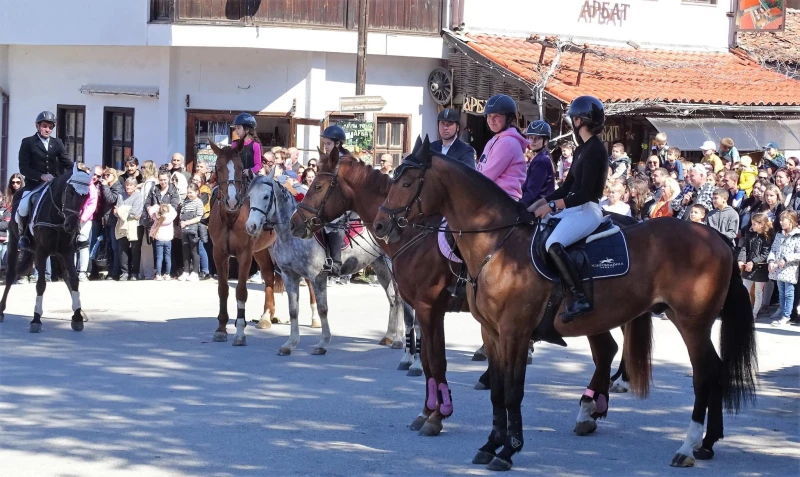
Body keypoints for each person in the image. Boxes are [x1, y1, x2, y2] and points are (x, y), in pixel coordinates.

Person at [530, 95, 608, 321]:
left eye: (573, 119)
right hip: (576, 207)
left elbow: (586, 193)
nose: (572, 123)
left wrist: (553, 206)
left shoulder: (596, 150)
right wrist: (541, 203)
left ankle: (580, 297)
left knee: (554, 244)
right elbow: (567, 187)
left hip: (589, 209)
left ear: (579, 121)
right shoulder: (581, 149)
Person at [14, 111, 73, 250]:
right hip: (34, 184)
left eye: (50, 127)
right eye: (45, 126)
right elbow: (23, 167)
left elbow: (66, 162)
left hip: (53, 184)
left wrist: (79, 170)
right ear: (37, 125)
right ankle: (24, 236)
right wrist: (41, 176)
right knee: (23, 205)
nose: (47, 129)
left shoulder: (57, 143)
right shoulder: (28, 142)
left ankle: (71, 234)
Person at [319, 124, 350, 275]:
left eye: (328, 144)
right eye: (324, 144)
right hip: (332, 199)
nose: (325, 147)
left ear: (337, 144)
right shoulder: (329, 159)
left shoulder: (346, 160)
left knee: (332, 222)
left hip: (347, 200)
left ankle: (336, 262)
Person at [768, 210, 800, 326]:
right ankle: (783, 312)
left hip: (790, 269)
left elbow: (798, 253)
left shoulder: (797, 235)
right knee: (781, 293)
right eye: (780, 220)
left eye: (783, 220)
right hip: (778, 269)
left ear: (791, 221)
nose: (781, 222)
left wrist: (786, 258)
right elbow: (773, 249)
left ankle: (787, 315)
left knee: (789, 293)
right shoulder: (779, 234)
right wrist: (771, 260)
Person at [739, 212, 773, 319]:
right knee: (745, 290)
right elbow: (744, 248)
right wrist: (741, 259)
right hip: (748, 268)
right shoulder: (750, 235)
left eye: (754, 224)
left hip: (760, 269)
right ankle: (745, 311)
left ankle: (754, 313)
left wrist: (752, 262)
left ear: (761, 224)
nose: (752, 226)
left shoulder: (767, 238)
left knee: (758, 292)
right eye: (752, 223)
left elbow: (765, 254)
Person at [520, 120, 555, 209]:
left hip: (537, 207)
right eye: (531, 137)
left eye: (538, 138)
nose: (533, 141)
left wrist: (519, 207)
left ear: (546, 141)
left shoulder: (541, 160)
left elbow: (532, 191)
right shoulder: (542, 157)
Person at [115, 177, 143, 281]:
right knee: (123, 249)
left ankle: (134, 273)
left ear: (135, 187)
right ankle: (124, 272)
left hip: (135, 226)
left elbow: (135, 213)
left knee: (135, 250)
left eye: (131, 185)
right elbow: (117, 211)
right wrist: (122, 211)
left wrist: (122, 210)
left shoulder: (138, 196)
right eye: (127, 185)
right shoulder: (121, 195)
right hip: (122, 225)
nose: (128, 187)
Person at [75, 166, 100, 281]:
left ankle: (82, 271)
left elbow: (92, 204)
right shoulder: (75, 183)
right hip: (73, 218)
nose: (94, 177)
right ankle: (72, 270)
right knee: (72, 245)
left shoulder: (92, 188)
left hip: (85, 220)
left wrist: (83, 217)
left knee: (83, 244)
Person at [100, 167, 122, 279]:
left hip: (114, 220)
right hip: (108, 220)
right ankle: (111, 270)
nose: (105, 177)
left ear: (114, 175)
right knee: (109, 247)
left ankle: (115, 272)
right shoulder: (108, 186)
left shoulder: (117, 186)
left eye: (108, 175)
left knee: (115, 247)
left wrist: (104, 186)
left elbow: (111, 199)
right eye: (104, 175)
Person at [178, 184, 204, 281]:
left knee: (194, 250)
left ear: (197, 192)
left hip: (193, 228)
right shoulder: (186, 202)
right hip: (184, 228)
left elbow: (199, 217)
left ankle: (195, 272)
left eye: (191, 192)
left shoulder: (199, 202)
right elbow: (181, 213)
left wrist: (187, 222)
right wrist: (182, 221)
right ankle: (186, 271)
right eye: (188, 192)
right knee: (185, 250)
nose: (189, 195)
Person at [192, 172, 212, 280]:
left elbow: (200, 205)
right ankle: (197, 270)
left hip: (202, 222)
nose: (195, 182)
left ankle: (205, 271)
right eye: (194, 180)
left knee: (201, 247)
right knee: (194, 248)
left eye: (197, 180)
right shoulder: (192, 190)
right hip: (193, 222)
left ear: (202, 181)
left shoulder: (205, 191)